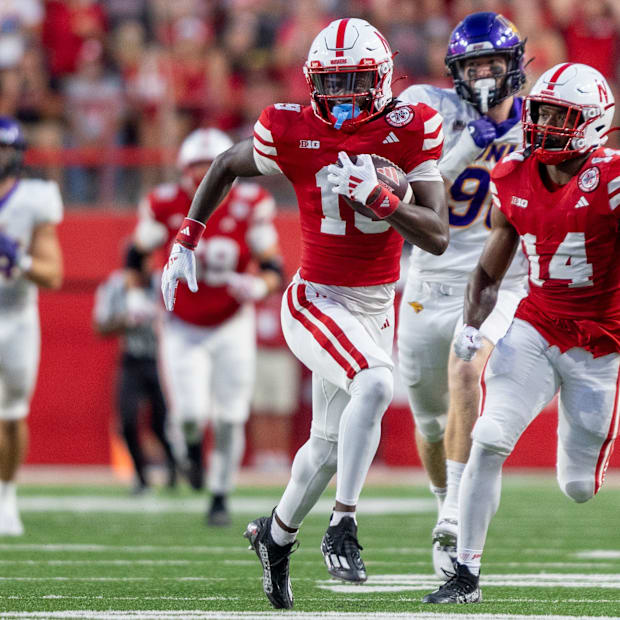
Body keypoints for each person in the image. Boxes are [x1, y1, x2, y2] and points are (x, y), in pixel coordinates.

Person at [161, 17, 448, 609]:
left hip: (375, 304)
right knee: (374, 382)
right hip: (315, 298)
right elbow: (223, 164)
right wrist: (187, 236)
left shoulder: (410, 127)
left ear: (383, 78)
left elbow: (438, 233)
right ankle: (344, 522)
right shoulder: (290, 127)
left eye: (354, 81)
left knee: (323, 446)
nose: (341, 95)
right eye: (331, 81)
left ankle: (276, 534)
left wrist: (382, 200)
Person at [423, 62, 619, 603]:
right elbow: (488, 271)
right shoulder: (513, 175)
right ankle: (465, 575)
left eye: (563, 115)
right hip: (535, 326)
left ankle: (579, 445)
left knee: (577, 488)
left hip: (600, 345)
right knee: (488, 438)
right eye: (544, 112)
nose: (547, 124)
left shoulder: (612, 179)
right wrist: (472, 323)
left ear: (595, 123)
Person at [396, 11, 528, 577]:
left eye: (492, 64)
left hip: (498, 280)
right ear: (455, 70)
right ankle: (442, 503)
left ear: (513, 65)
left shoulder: (539, 122)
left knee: (466, 370)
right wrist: (461, 150)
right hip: (430, 279)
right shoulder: (428, 108)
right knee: (429, 423)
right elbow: (402, 193)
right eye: (471, 66)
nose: (482, 76)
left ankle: (453, 519)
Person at [130, 127, 283, 526]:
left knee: (232, 416)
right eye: (196, 165)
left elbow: (273, 268)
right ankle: (193, 453)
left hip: (231, 319)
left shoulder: (252, 203)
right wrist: (133, 291)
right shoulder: (165, 203)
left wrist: (257, 285)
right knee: (190, 415)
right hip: (181, 321)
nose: (202, 173)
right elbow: (135, 254)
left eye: (209, 165)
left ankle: (220, 494)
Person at [0, 117, 63, 536]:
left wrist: (18, 260)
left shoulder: (34, 199)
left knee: (11, 415)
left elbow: (53, 274)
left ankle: (6, 498)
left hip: (16, 315)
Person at [93, 250, 177, 495]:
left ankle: (173, 464)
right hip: (131, 360)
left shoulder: (163, 281)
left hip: (161, 359)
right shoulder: (115, 287)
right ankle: (141, 476)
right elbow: (100, 327)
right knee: (128, 420)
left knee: (160, 424)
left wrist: (157, 317)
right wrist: (126, 319)